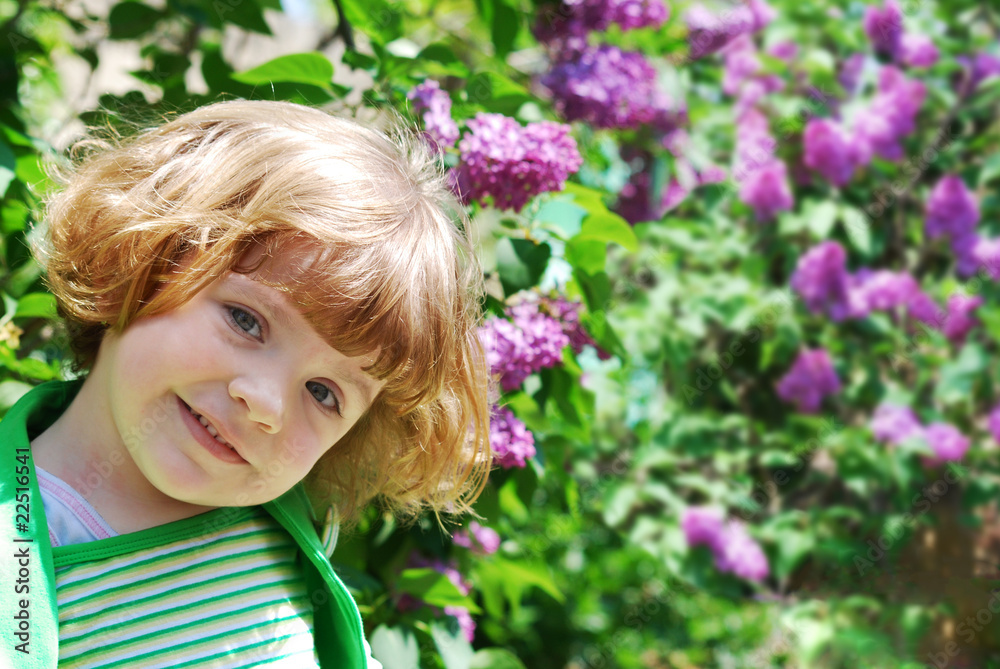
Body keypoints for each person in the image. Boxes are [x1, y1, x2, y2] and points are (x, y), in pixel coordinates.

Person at [0, 99, 491, 668]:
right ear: (144, 257)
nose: (265, 404)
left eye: (323, 393)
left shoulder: (275, 523)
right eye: (245, 320)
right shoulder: (22, 560)